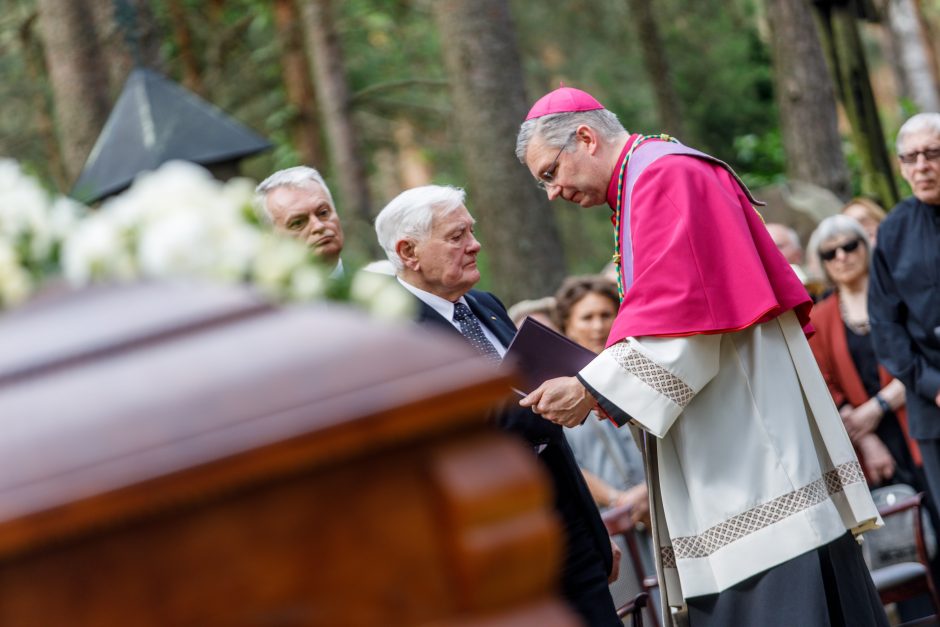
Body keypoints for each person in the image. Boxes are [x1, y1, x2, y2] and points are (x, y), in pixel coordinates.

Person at [514, 86, 884, 626]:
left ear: (586, 138)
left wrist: (593, 387)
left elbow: (686, 317)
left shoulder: (663, 176)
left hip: (748, 461)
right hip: (735, 441)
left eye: (550, 173)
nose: (552, 191)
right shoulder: (649, 176)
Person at [374, 184, 622, 626]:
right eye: (456, 236)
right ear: (408, 251)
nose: (475, 244)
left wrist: (593, 524)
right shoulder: (394, 335)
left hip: (571, 529)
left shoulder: (487, 305)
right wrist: (558, 397)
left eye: (471, 231)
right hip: (500, 542)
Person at [553, 274, 657, 614]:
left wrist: (648, 493)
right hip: (609, 525)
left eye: (605, 315)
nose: (597, 326)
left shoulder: (641, 370)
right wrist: (619, 501)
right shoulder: (557, 388)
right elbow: (564, 460)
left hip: (658, 507)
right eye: (587, 317)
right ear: (567, 325)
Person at [807, 215, 920, 490]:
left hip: (919, 415)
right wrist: (866, 439)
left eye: (849, 246)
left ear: (865, 246)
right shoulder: (819, 319)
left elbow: (923, 357)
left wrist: (878, 405)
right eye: (830, 253)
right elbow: (825, 387)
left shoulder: (900, 295)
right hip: (873, 440)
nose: (841, 257)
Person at [869, 112, 940, 517]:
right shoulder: (893, 231)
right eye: (910, 157)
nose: (921, 166)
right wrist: (933, 385)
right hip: (931, 406)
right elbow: (885, 326)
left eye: (931, 154)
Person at [255, 166, 345, 277]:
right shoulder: (264, 294)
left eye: (323, 213)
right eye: (297, 223)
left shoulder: (371, 288)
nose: (318, 226)